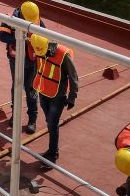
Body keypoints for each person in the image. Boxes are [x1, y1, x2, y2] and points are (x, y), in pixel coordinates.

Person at [29, 33, 78, 165]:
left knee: (52, 123)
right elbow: (39, 69)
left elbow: (73, 77)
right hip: (43, 92)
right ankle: (51, 150)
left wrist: (72, 97)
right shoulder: (40, 49)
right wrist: (34, 87)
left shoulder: (63, 55)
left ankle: (53, 153)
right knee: (49, 122)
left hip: (57, 96)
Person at [0, 0, 44, 133]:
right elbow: (2, 36)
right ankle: (15, 115)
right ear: (22, 14)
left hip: (32, 60)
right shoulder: (10, 20)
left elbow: (45, 34)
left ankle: (32, 120)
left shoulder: (36, 19)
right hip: (16, 59)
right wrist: (21, 39)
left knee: (32, 90)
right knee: (16, 87)